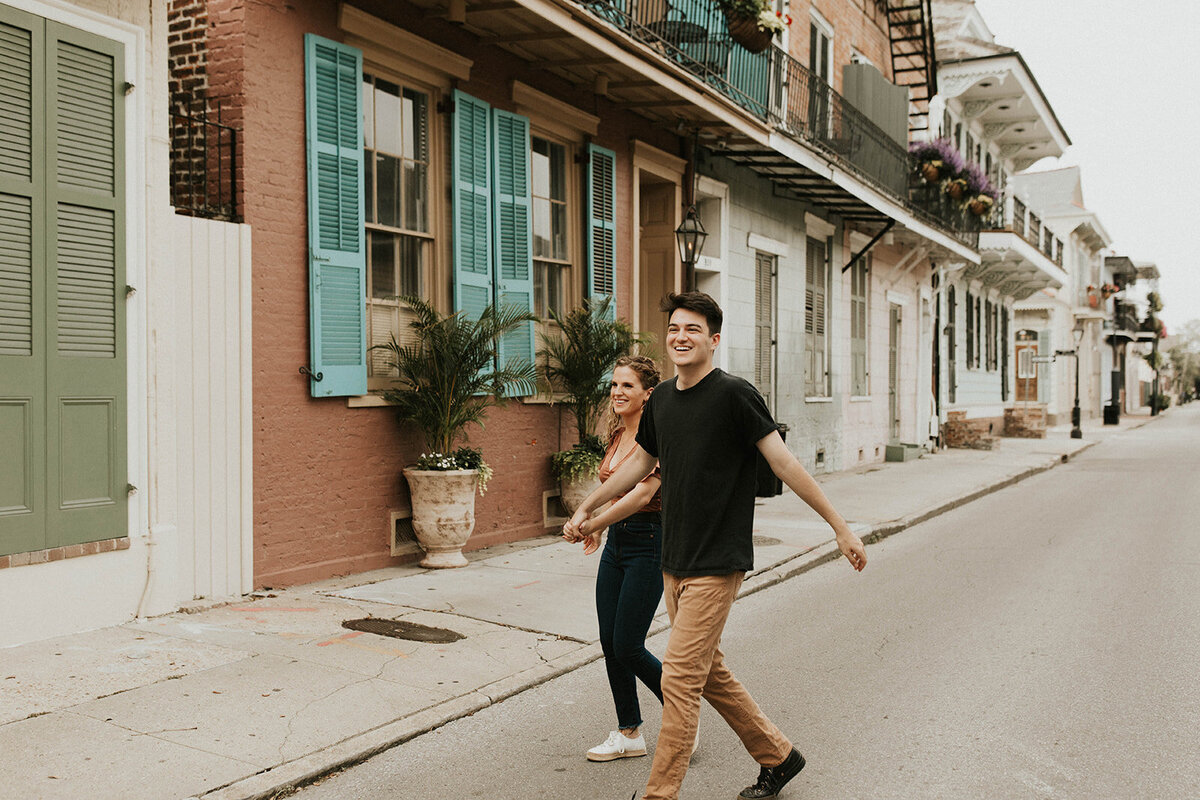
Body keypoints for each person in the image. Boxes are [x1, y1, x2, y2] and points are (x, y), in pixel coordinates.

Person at [567, 292, 867, 800]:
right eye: (675, 328)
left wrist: (840, 526)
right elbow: (640, 466)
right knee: (710, 672)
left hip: (718, 559)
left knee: (680, 682)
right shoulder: (662, 400)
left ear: (714, 339)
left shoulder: (734, 395)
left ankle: (660, 793)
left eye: (693, 329)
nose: (681, 336)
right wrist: (589, 508)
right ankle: (778, 755)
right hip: (674, 558)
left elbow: (784, 464)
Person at [563, 356, 666, 762]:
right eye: (614, 385)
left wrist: (591, 521)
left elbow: (641, 494)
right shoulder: (617, 433)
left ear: (648, 394)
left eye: (627, 386)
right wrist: (601, 525)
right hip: (619, 543)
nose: (617, 393)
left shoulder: (659, 437)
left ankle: (682, 717)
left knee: (628, 644)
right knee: (610, 642)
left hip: (651, 541)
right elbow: (616, 488)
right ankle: (629, 733)